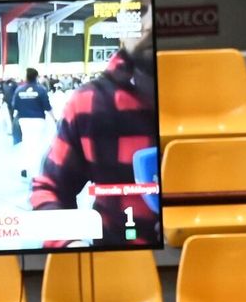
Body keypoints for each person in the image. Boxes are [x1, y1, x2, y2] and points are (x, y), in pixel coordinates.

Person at [29, 31, 162, 247]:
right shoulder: (89, 102)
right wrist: (69, 245)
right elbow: (49, 188)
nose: (148, 25)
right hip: (115, 262)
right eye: (140, 12)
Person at [9, 67, 56, 177]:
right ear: (36, 76)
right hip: (38, 120)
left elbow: (14, 106)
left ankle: (24, 167)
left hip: (24, 120)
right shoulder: (41, 90)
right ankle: (37, 171)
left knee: (26, 143)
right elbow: (47, 107)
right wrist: (54, 119)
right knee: (38, 144)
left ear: (26, 76)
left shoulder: (19, 90)